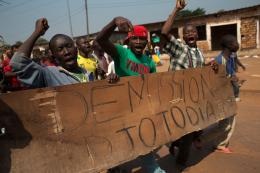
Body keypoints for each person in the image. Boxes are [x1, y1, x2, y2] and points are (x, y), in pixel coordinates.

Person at [96, 16, 164, 173]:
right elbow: (101, 40)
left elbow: (153, 88)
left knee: (145, 144)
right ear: (128, 41)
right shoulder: (121, 53)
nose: (139, 42)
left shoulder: (150, 62)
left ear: (147, 42)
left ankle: (154, 169)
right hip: (121, 110)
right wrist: (114, 22)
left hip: (141, 111)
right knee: (118, 144)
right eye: (135, 39)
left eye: (142, 39)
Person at [161, 0, 217, 169]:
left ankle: (176, 144)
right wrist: (176, 10)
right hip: (177, 98)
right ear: (184, 37)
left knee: (193, 128)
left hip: (193, 99)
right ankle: (180, 163)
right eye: (187, 33)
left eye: (193, 31)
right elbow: (164, 32)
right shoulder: (179, 48)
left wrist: (210, 66)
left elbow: (199, 69)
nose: (190, 34)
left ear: (197, 35)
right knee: (186, 133)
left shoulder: (200, 52)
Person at [11, 18, 92, 88]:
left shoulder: (86, 73)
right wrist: (37, 32)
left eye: (69, 46)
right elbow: (18, 62)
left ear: (76, 49)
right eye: (60, 49)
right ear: (54, 56)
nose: (66, 52)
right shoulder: (50, 74)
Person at [212, 35, 239, 153]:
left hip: (231, 95)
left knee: (231, 122)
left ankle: (222, 143)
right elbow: (215, 81)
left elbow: (231, 72)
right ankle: (209, 141)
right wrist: (229, 79)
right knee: (225, 124)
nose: (237, 44)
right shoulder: (219, 60)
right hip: (223, 97)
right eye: (234, 42)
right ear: (228, 45)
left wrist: (234, 77)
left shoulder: (231, 57)